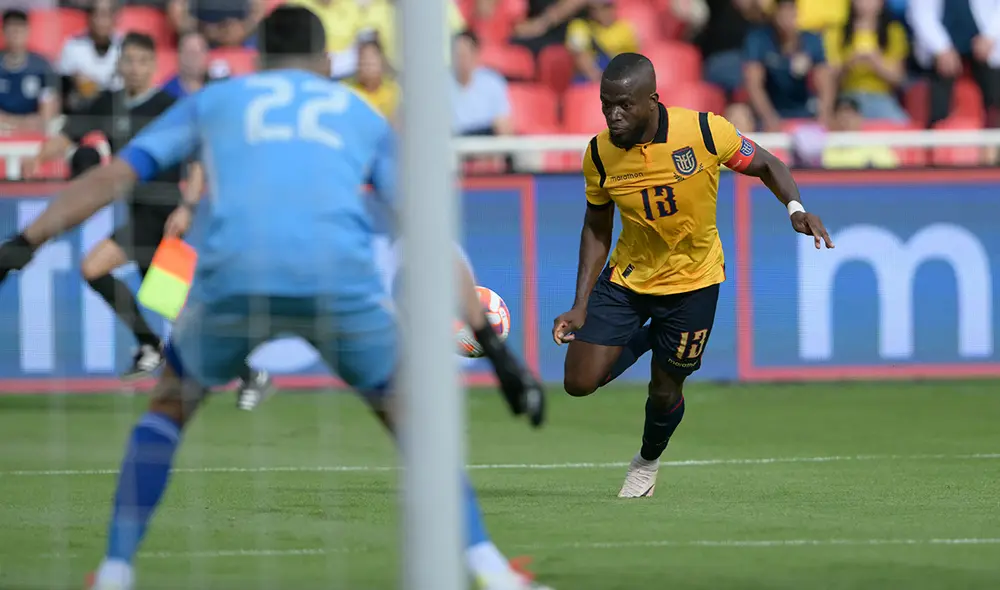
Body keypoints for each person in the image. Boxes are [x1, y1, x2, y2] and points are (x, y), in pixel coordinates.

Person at [0, 7, 549, 590]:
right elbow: (426, 228)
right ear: (321, 62)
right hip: (339, 279)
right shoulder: (360, 114)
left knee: (169, 406)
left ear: (258, 57)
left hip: (236, 276)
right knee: (414, 420)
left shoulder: (217, 101)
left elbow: (114, 178)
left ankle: (114, 570)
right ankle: (486, 564)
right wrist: (497, 351)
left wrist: (25, 240)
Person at [551, 52, 834, 498]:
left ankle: (645, 463)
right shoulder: (599, 154)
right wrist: (581, 301)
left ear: (652, 101)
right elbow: (596, 224)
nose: (612, 114)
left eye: (624, 104)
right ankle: (652, 336)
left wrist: (795, 209)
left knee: (664, 392)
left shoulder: (703, 131)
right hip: (628, 280)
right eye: (606, 104)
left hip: (694, 284)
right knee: (577, 382)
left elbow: (767, 164)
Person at [22, 32, 270, 409]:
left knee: (179, 315)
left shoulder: (170, 106)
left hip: (165, 219)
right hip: (137, 216)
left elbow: (199, 160)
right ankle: (157, 347)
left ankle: (243, 371)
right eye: (129, 60)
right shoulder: (109, 103)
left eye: (142, 61)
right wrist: (39, 157)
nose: (135, 67)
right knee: (102, 273)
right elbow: (68, 135)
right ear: (120, 64)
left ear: (154, 65)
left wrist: (187, 206)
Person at [744, 0, 835, 130]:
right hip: (771, 111)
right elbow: (753, 84)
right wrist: (769, 117)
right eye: (782, 12)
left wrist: (824, 115)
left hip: (806, 111)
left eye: (790, 12)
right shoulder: (758, 39)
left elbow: (825, 82)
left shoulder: (812, 40)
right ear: (775, 14)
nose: (786, 19)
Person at [825, 0, 909, 122]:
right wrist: (849, 64)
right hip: (848, 97)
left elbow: (898, 78)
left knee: (903, 127)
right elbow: (830, 77)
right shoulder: (838, 32)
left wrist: (876, 62)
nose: (866, 3)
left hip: (881, 97)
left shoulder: (893, 32)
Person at [0, 9, 59, 133]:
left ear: (28, 31)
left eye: (20, 29)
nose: (15, 34)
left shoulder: (42, 66)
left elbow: (46, 114)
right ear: (3, 32)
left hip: (33, 134)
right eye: (11, 29)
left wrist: (12, 123)